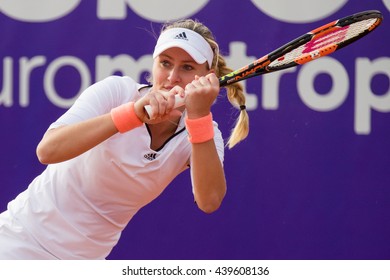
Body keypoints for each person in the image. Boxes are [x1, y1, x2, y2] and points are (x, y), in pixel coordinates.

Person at [0, 19, 249, 259]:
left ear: (207, 76)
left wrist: (198, 116)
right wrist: (132, 115)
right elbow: (47, 151)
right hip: (20, 242)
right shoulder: (117, 91)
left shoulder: (203, 131)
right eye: (165, 63)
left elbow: (209, 201)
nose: (172, 76)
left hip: (86, 261)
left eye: (187, 67)